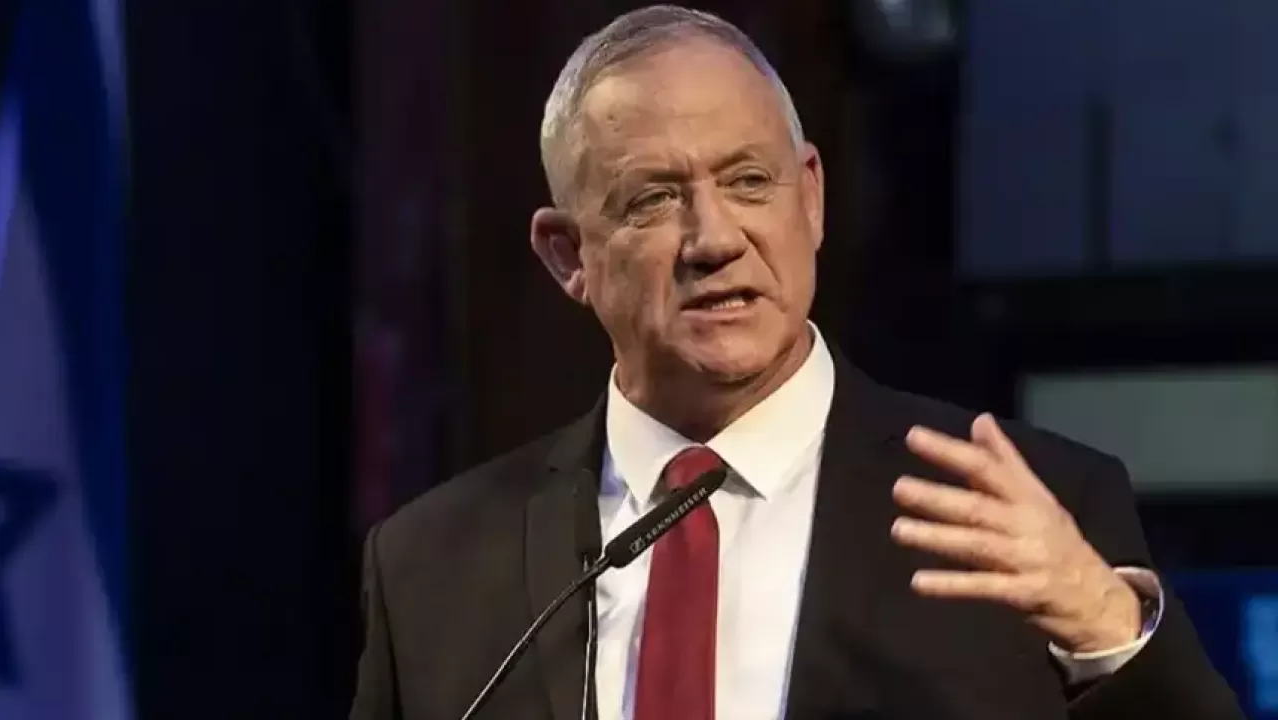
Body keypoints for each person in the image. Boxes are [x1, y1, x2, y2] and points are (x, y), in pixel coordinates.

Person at [349, 5, 1243, 719]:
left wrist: (1106, 628)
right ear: (567, 255)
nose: (714, 240)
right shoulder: (433, 567)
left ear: (810, 198)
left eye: (749, 182)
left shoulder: (1037, 513)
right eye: (654, 199)